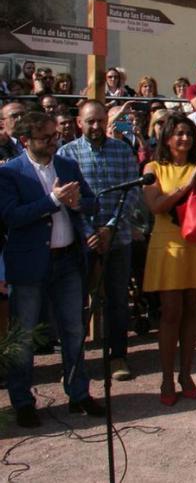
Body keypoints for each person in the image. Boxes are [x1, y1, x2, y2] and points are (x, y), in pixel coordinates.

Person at [0, 112, 106, 428]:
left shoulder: (67, 166)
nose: (52, 142)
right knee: (26, 335)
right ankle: (22, 401)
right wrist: (52, 199)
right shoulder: (11, 173)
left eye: (54, 136)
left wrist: (77, 204)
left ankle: (78, 393)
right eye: (45, 138)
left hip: (67, 261)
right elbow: (11, 216)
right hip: (30, 265)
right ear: (25, 141)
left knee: (74, 330)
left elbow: (93, 203)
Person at [141, 114, 196, 406]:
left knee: (191, 311)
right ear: (166, 137)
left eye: (188, 133)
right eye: (178, 133)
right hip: (168, 245)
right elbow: (155, 206)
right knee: (170, 314)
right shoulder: (154, 168)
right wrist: (186, 185)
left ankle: (186, 374)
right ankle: (166, 376)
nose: (184, 139)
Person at [58, 101, 141, 381]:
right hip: (80, 242)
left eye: (100, 121)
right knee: (76, 303)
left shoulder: (123, 151)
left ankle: (118, 355)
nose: (96, 127)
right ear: (79, 122)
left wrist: (110, 228)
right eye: (90, 121)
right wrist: (88, 232)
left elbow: (132, 193)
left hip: (118, 239)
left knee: (117, 300)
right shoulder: (66, 155)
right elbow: (67, 201)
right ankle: (74, 363)